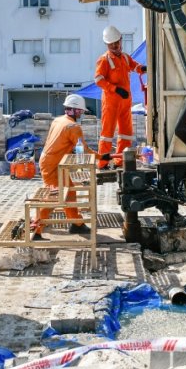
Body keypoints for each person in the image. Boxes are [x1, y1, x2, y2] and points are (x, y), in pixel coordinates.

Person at [30, 94, 111, 240]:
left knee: (70, 192)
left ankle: (77, 223)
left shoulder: (58, 120)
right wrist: (102, 157)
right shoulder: (74, 127)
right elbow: (84, 150)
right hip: (53, 165)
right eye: (80, 111)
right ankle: (36, 230)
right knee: (54, 197)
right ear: (74, 110)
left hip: (52, 161)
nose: (81, 114)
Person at [93, 25, 145, 169]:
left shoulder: (125, 58)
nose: (115, 46)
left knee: (126, 133)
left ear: (121, 41)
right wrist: (115, 89)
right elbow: (98, 80)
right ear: (107, 44)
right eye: (112, 44)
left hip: (125, 102)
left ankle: (121, 162)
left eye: (117, 43)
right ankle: (102, 163)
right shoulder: (104, 60)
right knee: (107, 134)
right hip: (111, 102)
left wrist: (143, 69)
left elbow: (135, 66)